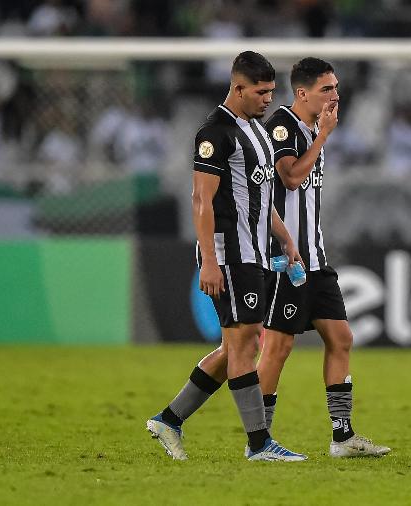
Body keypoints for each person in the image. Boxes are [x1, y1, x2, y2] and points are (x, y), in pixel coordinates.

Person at [146, 51, 307, 462]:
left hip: (254, 252)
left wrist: (285, 236)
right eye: (261, 91)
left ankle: (169, 419)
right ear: (238, 88)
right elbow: (202, 200)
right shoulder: (214, 133)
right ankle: (259, 444)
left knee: (238, 344)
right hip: (229, 254)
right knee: (244, 345)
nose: (269, 99)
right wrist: (211, 261)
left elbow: (259, 195)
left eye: (272, 92)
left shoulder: (255, 131)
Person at [261, 57, 390, 458]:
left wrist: (321, 134)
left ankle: (343, 437)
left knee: (341, 337)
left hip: (315, 258)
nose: (336, 95)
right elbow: (290, 177)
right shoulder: (282, 125)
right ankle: (259, 439)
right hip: (286, 260)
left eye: (336, 87)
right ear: (302, 93)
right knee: (278, 350)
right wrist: (322, 138)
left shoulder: (315, 127)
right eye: (327, 89)